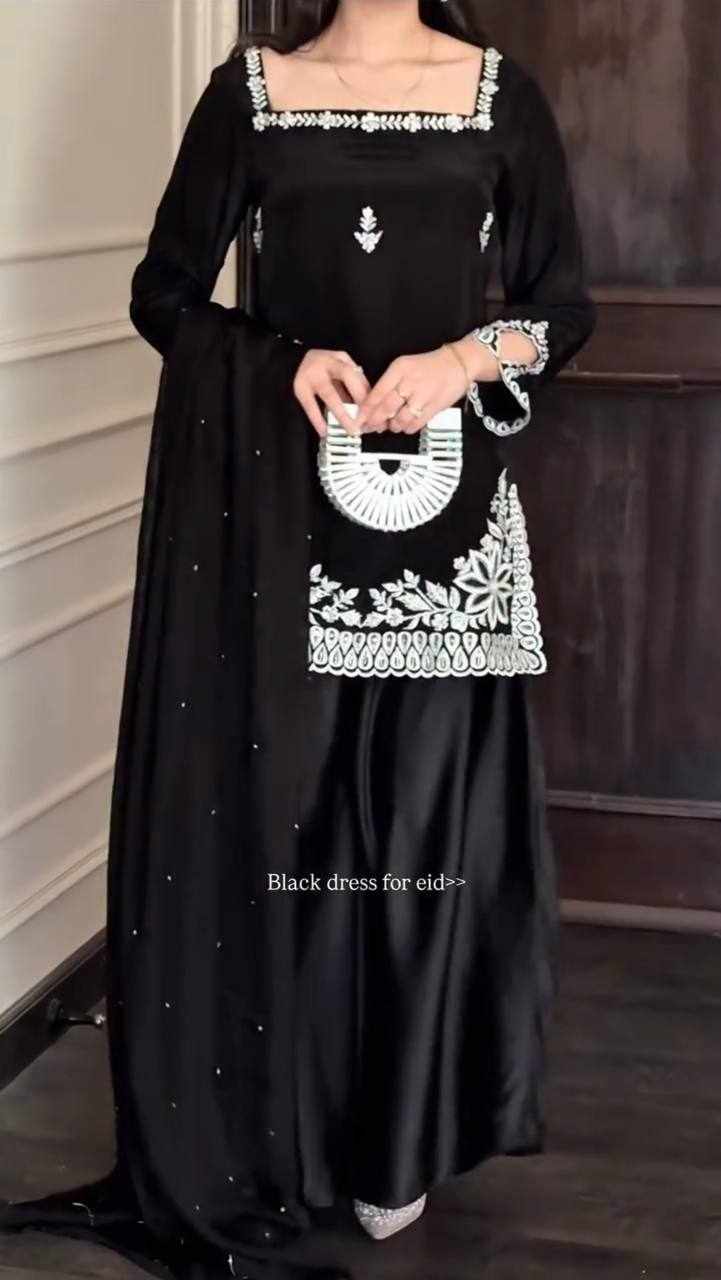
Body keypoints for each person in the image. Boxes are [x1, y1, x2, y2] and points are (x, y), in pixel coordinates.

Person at [1, 2, 596, 1277]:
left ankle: (396, 1141)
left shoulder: (500, 96)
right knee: (300, 832)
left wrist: (464, 357)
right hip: (280, 523)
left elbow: (563, 305)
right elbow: (163, 290)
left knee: (422, 844)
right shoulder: (252, 93)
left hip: (442, 521)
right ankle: (290, 1128)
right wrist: (278, 360)